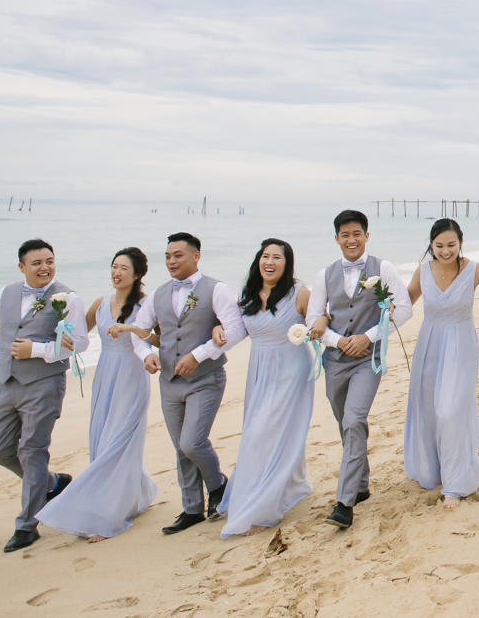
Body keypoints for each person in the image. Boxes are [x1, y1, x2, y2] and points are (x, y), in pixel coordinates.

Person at [37, 248, 158, 541]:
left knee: (119, 440)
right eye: (114, 267)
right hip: (105, 374)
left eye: (123, 268)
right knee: (102, 438)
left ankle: (107, 513)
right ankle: (136, 493)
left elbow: (159, 338)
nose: (116, 273)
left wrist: (131, 327)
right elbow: (79, 339)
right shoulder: (101, 303)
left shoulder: (145, 304)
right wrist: (61, 328)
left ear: (138, 274)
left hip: (131, 375)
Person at [130, 232, 246, 533]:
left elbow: (234, 329)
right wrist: (145, 355)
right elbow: (139, 330)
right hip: (168, 381)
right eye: (167, 256)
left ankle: (218, 483)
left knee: (192, 442)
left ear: (196, 256)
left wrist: (199, 354)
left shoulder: (216, 289)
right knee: (180, 448)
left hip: (205, 378)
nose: (171, 261)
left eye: (178, 255)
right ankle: (192, 508)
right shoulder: (158, 294)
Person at [305, 210, 412, 528]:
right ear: (336, 238)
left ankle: (344, 502)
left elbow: (403, 309)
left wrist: (369, 336)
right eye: (345, 235)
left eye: (357, 234)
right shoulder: (325, 275)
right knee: (345, 425)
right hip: (335, 361)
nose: (351, 240)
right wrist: (339, 341)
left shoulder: (385, 268)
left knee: (354, 420)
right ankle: (361, 483)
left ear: (366, 236)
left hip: (368, 360)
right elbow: (313, 318)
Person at [0, 238, 89, 552]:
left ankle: (27, 526)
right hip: (5, 383)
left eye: (49, 261)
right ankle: (52, 483)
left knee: (32, 451)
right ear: (22, 267)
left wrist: (38, 350)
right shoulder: (6, 293)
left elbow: (80, 343)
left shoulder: (68, 298)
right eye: (37, 263)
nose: (45, 268)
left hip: (44, 384)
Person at [215, 239, 314, 537]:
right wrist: (216, 328)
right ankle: (284, 486)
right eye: (265, 256)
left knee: (266, 434)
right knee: (260, 433)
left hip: (290, 370)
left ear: (287, 263)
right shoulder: (247, 294)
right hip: (259, 371)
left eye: (277, 257)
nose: (269, 262)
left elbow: (320, 323)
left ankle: (264, 508)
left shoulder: (300, 293)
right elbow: (236, 328)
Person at [405, 219, 479, 508]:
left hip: (461, 345)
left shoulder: (474, 269)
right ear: (431, 244)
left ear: (461, 242)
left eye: (451, 245)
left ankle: (456, 485)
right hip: (429, 344)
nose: (445, 251)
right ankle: (435, 470)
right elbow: (407, 301)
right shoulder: (423, 271)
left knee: (450, 411)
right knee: (430, 410)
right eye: (439, 246)